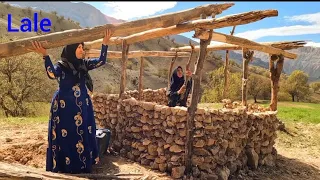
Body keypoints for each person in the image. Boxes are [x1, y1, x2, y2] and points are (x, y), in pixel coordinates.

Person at [31, 29, 113, 174]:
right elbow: (51, 74)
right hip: (64, 109)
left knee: (82, 135)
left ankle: (81, 166)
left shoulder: (84, 64)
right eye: (79, 47)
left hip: (82, 109)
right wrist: (45, 55)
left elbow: (101, 60)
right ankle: (63, 167)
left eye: (82, 47)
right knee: (65, 137)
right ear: (71, 49)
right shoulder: (61, 66)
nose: (82, 50)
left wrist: (104, 44)